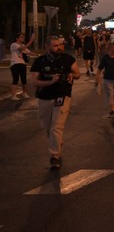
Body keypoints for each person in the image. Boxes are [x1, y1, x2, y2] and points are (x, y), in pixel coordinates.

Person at [29, 37, 82, 170]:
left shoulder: (67, 59)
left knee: (56, 127)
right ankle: (57, 144)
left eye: (60, 45)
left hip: (62, 96)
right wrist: (50, 82)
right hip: (44, 97)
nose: (59, 48)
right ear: (47, 46)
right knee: (47, 127)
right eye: (55, 46)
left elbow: (78, 74)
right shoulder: (40, 61)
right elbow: (34, 82)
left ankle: (54, 156)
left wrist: (71, 74)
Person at [9, 33, 36, 101]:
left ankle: (24, 93)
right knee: (15, 79)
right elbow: (23, 48)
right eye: (21, 37)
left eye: (23, 37)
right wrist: (31, 40)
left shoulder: (23, 45)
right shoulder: (14, 44)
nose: (23, 38)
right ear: (17, 38)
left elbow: (29, 52)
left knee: (24, 80)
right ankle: (13, 95)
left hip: (22, 64)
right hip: (15, 64)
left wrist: (38, 55)